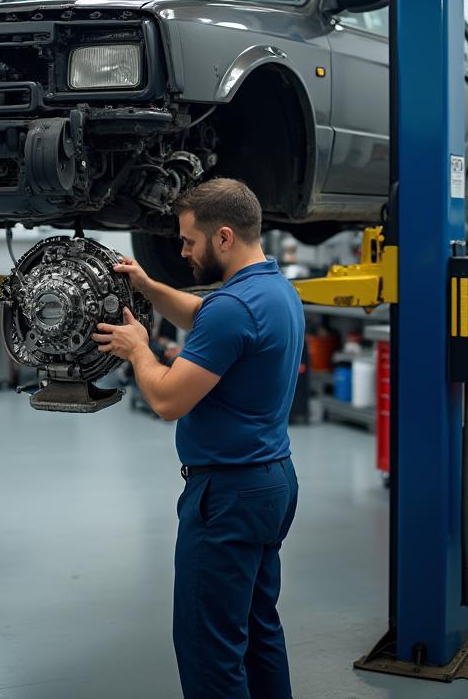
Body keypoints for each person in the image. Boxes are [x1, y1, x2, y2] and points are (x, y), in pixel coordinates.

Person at [92, 178, 304, 699]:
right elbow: (203, 316)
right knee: (257, 632)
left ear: (224, 237)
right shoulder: (273, 290)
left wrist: (138, 349)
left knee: (209, 648)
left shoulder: (233, 309)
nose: (182, 251)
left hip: (227, 496)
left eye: (189, 241)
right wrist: (145, 286)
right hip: (271, 482)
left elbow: (167, 400)